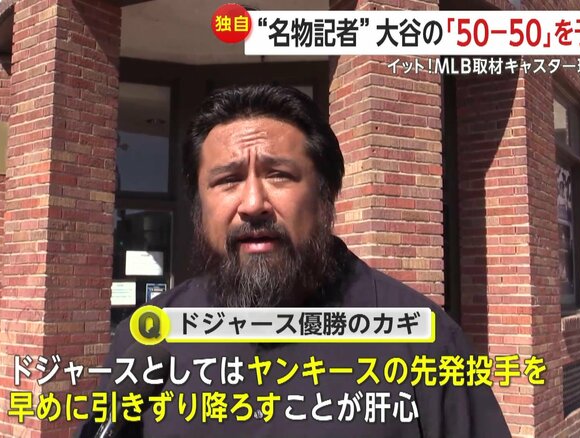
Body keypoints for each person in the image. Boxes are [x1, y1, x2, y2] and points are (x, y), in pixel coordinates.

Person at [83, 84, 511, 437]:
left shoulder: (425, 340)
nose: (253, 203)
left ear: (326, 193)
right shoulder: (148, 338)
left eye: (279, 175)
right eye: (228, 180)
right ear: (199, 204)